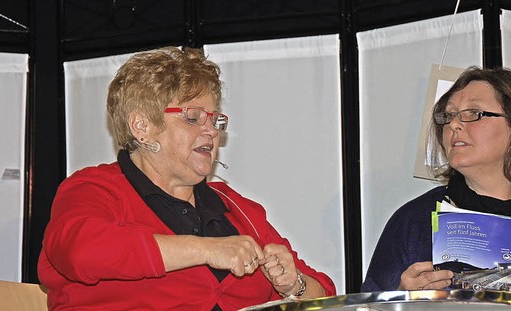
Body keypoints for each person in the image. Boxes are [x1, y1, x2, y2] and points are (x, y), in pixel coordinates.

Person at [38, 46, 335, 310]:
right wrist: (206, 250)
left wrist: (293, 283)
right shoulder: (95, 188)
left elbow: (326, 296)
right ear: (142, 126)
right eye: (193, 117)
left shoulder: (237, 208)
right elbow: (80, 253)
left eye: (215, 120)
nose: (211, 131)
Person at [361, 66, 511, 292]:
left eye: (473, 113)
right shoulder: (414, 221)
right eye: (448, 116)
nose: (454, 125)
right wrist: (401, 301)